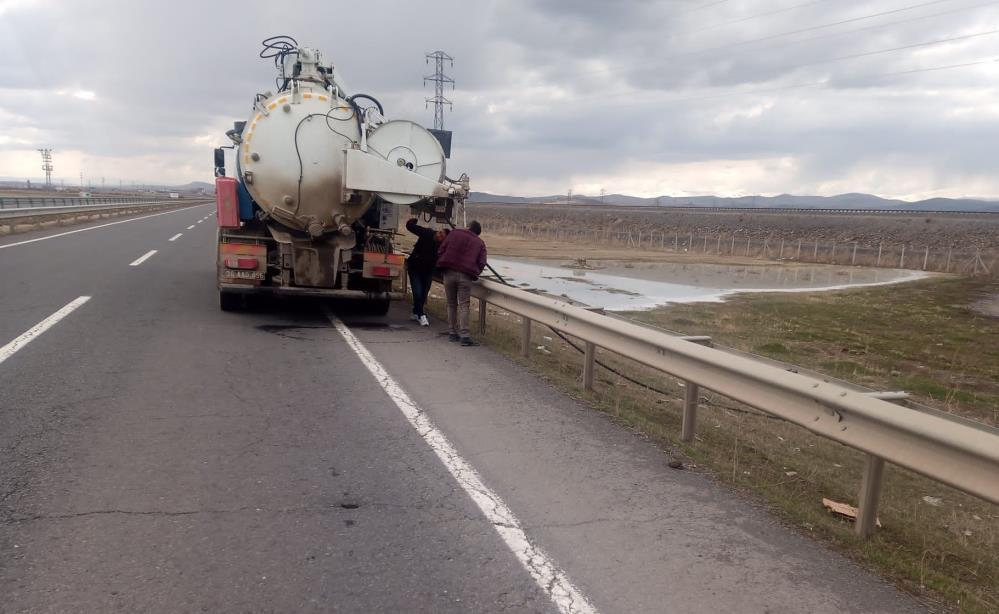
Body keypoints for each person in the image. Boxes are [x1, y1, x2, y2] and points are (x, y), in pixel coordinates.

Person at [436, 220, 487, 346]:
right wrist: (474, 273)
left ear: (468, 227)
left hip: (448, 273)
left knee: (451, 304)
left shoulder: (454, 233)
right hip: (465, 276)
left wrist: (442, 264)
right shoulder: (479, 243)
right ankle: (464, 336)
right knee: (464, 305)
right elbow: (482, 262)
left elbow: (441, 249)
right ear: (477, 232)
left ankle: (452, 333)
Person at [405, 215, 448, 326]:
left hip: (428, 271)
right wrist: (413, 220)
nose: (438, 235)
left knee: (424, 294)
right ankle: (421, 315)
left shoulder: (443, 247)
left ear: (444, 240)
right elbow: (410, 227)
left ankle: (415, 312)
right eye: (439, 232)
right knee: (418, 292)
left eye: (442, 235)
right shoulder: (427, 233)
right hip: (415, 268)